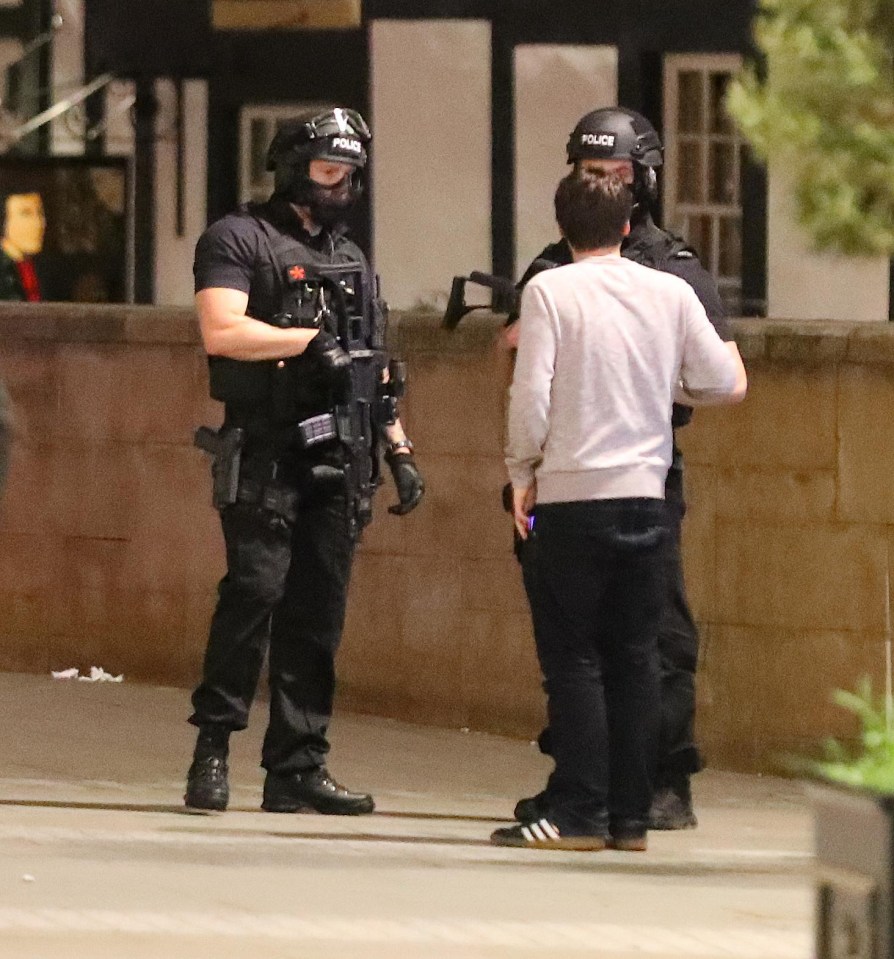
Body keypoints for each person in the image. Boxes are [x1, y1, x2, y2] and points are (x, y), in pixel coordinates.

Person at [492, 171, 746, 851]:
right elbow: (725, 381)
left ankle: (578, 810)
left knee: (574, 660)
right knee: (638, 658)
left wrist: (523, 473)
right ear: (630, 224)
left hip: (575, 496)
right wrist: (666, 382)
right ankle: (631, 819)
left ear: (563, 227)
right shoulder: (671, 291)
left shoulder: (550, 291)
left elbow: (532, 392)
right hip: (649, 494)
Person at [184, 107, 424, 815]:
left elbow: (370, 369)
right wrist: (300, 342)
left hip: (339, 457)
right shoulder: (238, 239)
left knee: (318, 614)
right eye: (327, 169)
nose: (340, 184)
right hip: (267, 451)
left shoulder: (350, 258)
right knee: (254, 595)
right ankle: (213, 748)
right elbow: (221, 328)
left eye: (349, 172)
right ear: (292, 166)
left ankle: (297, 763)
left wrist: (400, 449)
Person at [0, 190, 45, 301]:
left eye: (40, 213)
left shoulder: (43, 267)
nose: (38, 223)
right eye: (26, 213)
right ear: (4, 222)